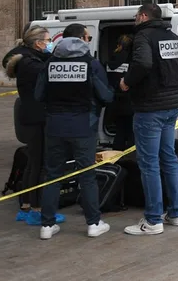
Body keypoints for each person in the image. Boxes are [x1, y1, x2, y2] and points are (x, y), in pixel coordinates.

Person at [35, 23, 114, 240]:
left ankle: (47, 226)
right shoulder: (91, 64)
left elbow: (38, 95)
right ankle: (93, 223)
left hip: (54, 126)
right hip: (82, 127)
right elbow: (106, 96)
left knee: (53, 175)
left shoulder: (50, 64)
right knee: (86, 175)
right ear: (81, 40)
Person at [120, 3, 178, 236]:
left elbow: (142, 64)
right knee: (169, 159)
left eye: (135, 17)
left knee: (149, 164)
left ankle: (152, 220)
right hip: (171, 106)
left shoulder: (143, 37)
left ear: (142, 16)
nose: (134, 21)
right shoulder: (172, 37)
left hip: (150, 108)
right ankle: (176, 213)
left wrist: (126, 82)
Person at [4, 25, 62, 225]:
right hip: (36, 118)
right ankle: (36, 208)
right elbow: (49, 75)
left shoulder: (30, 59)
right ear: (38, 43)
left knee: (33, 162)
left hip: (32, 117)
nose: (50, 43)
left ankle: (27, 205)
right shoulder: (31, 64)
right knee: (39, 164)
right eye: (47, 40)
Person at [106, 34, 135, 150]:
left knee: (120, 131)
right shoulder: (132, 60)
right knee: (132, 132)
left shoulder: (111, 59)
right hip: (129, 101)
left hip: (115, 101)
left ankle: (116, 159)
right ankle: (131, 159)